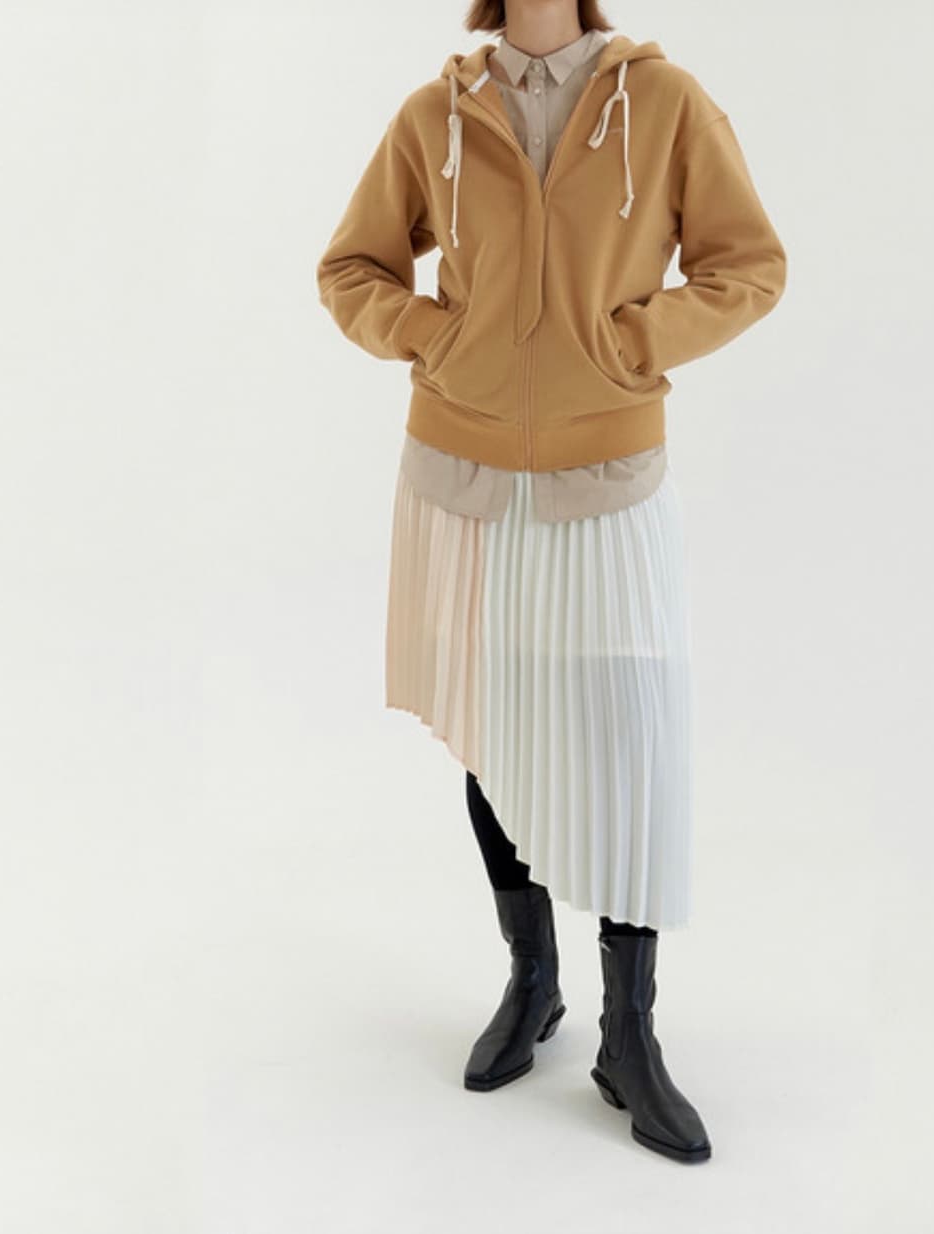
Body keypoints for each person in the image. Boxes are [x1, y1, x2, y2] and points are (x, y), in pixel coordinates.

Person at [316, 0, 786, 1164]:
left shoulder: (662, 103)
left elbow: (748, 265)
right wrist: (436, 338)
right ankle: (534, 981)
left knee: (630, 740)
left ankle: (631, 1033)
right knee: (497, 729)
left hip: (608, 474)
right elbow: (351, 267)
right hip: (462, 477)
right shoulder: (436, 114)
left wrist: (631, 345)